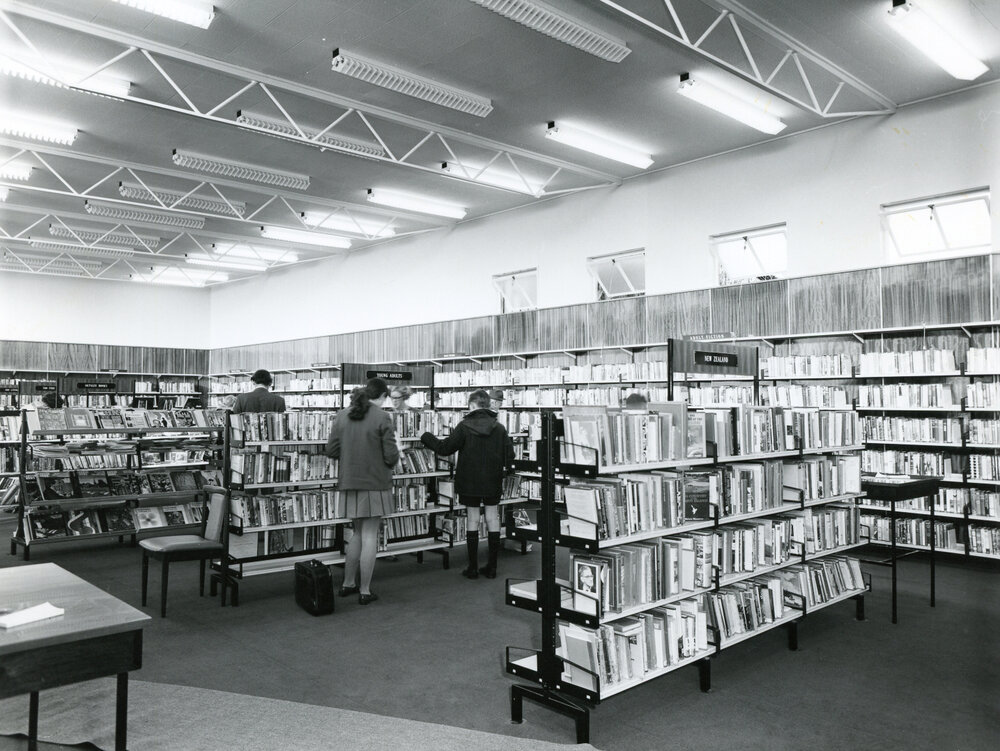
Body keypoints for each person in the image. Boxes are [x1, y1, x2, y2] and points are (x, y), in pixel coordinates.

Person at [421, 388, 514, 579]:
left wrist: (426, 436)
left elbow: (445, 448)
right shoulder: (500, 428)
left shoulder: (464, 426)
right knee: (492, 517)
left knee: (472, 518)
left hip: (470, 481)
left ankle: (472, 568)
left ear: (472, 405)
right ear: (488, 405)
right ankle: (492, 567)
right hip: (492, 479)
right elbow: (510, 456)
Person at [324, 378, 398, 604]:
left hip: (350, 481)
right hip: (374, 483)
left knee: (356, 533)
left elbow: (331, 450)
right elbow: (391, 455)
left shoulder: (342, 415)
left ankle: (348, 584)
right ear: (383, 396)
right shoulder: (382, 417)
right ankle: (365, 590)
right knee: (369, 536)